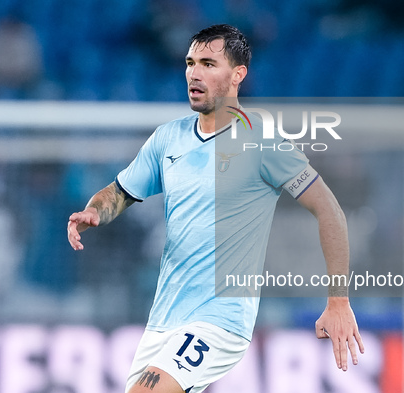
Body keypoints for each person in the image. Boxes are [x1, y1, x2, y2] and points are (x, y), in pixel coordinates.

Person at [67, 24, 364, 393]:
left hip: (219, 320)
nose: (194, 72)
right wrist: (96, 210)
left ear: (238, 74)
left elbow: (329, 210)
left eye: (209, 63)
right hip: (163, 320)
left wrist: (338, 301)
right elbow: (121, 191)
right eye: (191, 62)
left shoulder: (262, 140)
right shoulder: (168, 137)